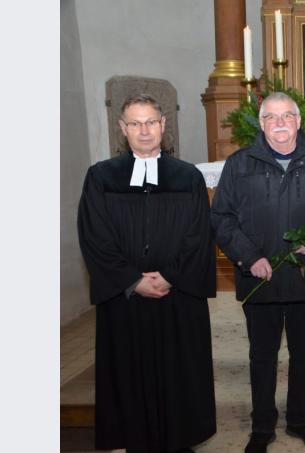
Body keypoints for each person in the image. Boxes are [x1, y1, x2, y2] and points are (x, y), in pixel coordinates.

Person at [210, 91, 305, 452]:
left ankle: (300, 419)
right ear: (261, 124)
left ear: (298, 121)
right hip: (259, 276)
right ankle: (262, 425)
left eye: (287, 116)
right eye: (271, 117)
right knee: (262, 355)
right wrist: (249, 257)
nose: (279, 124)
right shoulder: (239, 163)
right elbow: (222, 218)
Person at [77, 93, 216, 453]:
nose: (144, 130)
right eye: (135, 123)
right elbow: (94, 235)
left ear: (163, 125)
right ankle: (135, 440)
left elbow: (199, 234)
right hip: (126, 297)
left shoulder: (188, 177)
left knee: (178, 369)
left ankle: (180, 439)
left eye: (151, 122)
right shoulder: (101, 177)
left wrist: (170, 275)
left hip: (177, 294)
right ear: (122, 129)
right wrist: (133, 281)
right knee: (129, 370)